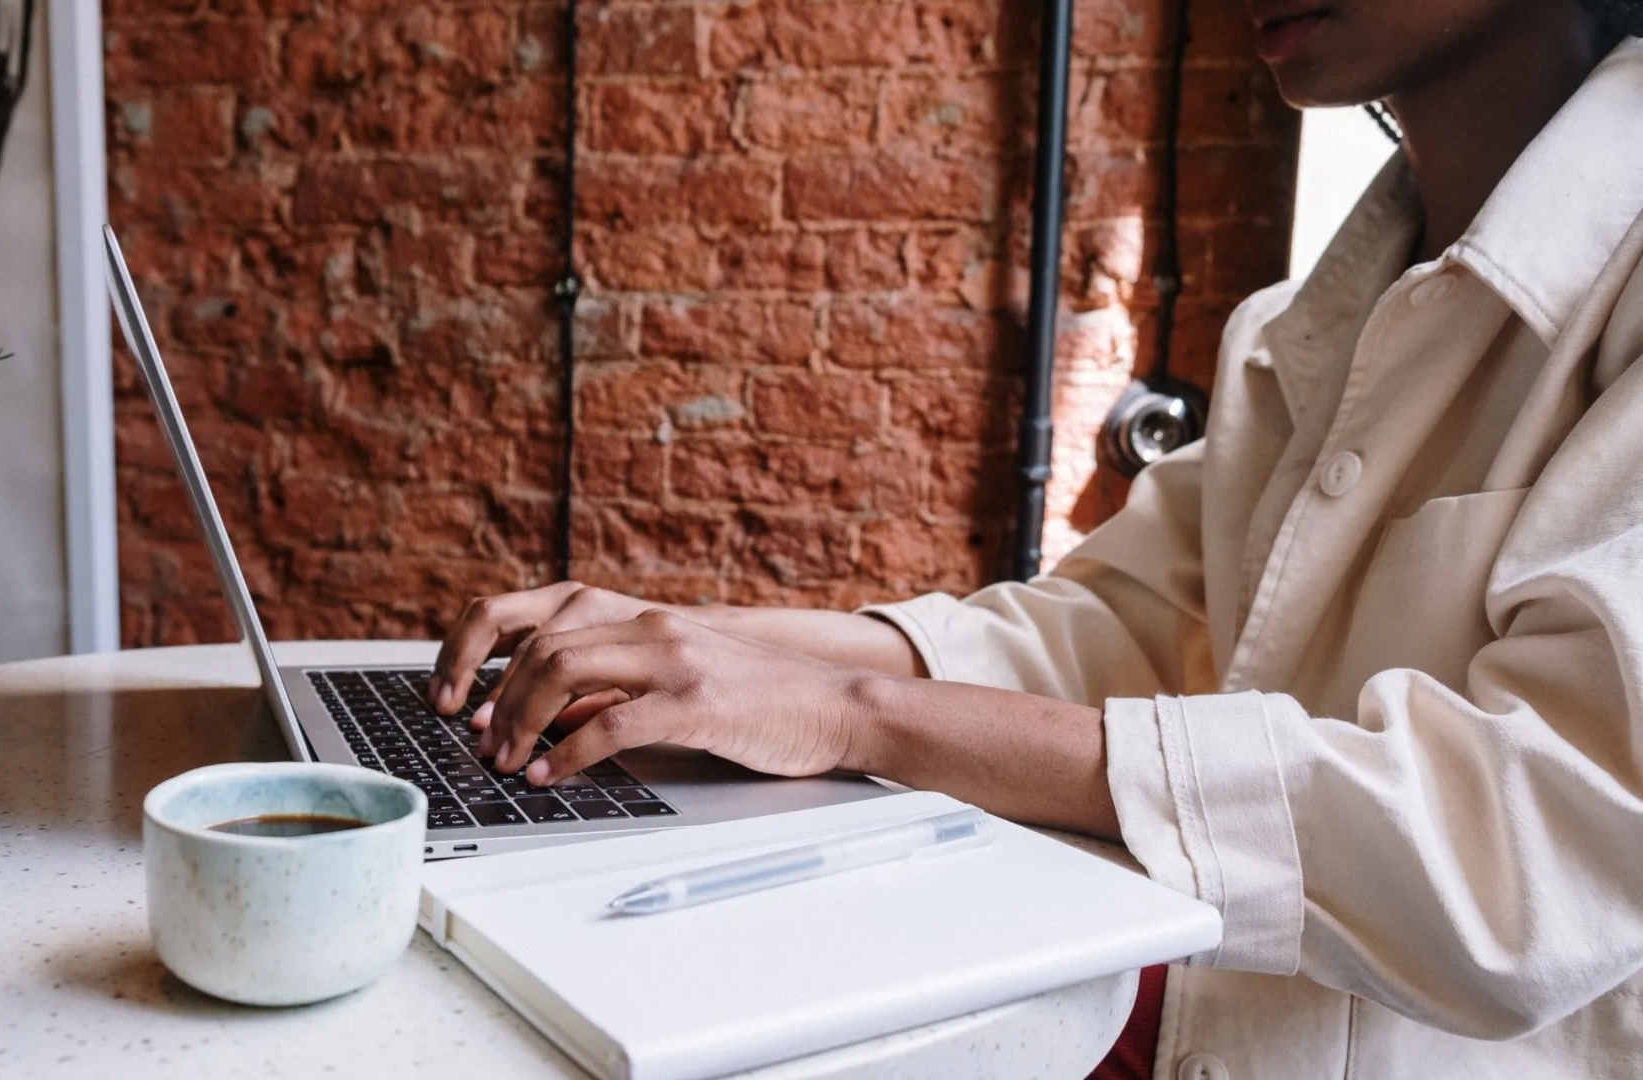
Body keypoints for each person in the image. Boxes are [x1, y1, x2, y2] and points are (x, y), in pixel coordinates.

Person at [426, 1, 1643, 1076]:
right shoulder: (1322, 317)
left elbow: (1528, 853)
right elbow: (1119, 626)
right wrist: (697, 645)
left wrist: (854, 712)